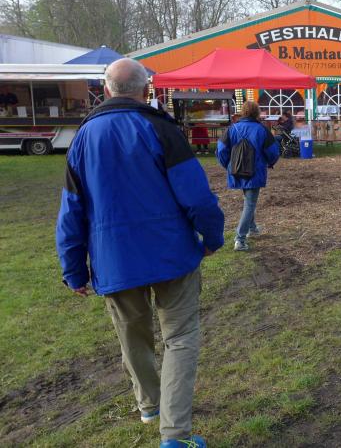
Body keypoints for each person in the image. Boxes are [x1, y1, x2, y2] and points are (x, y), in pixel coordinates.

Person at [56, 58, 224, 448]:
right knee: (180, 337)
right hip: (171, 254)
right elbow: (197, 196)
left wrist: (73, 268)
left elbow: (71, 210)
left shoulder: (83, 138)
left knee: (132, 336)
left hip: (115, 259)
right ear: (146, 89)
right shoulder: (161, 128)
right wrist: (212, 237)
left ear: (106, 91)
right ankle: (173, 433)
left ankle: (151, 406)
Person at [216, 101, 280, 252]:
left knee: (248, 200)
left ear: (243, 112)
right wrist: (270, 162)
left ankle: (252, 228)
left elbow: (221, 150)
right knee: (250, 203)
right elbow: (273, 151)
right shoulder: (262, 130)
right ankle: (240, 239)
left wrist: (229, 165)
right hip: (255, 171)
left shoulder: (232, 129)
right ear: (256, 112)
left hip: (236, 170)